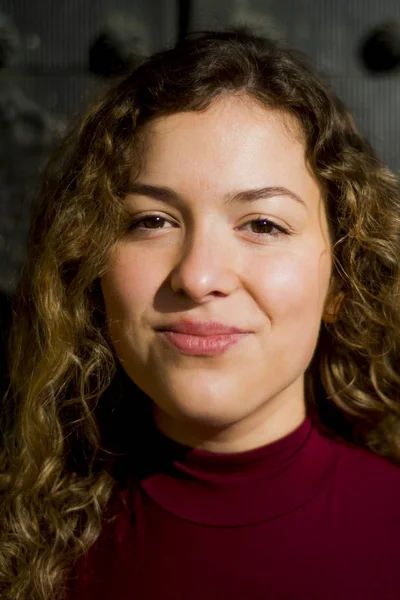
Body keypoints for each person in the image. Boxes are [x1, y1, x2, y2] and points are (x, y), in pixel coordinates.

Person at [1, 28, 400, 600]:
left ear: (343, 279)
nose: (198, 276)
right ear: (90, 268)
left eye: (263, 224)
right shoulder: (19, 542)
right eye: (152, 221)